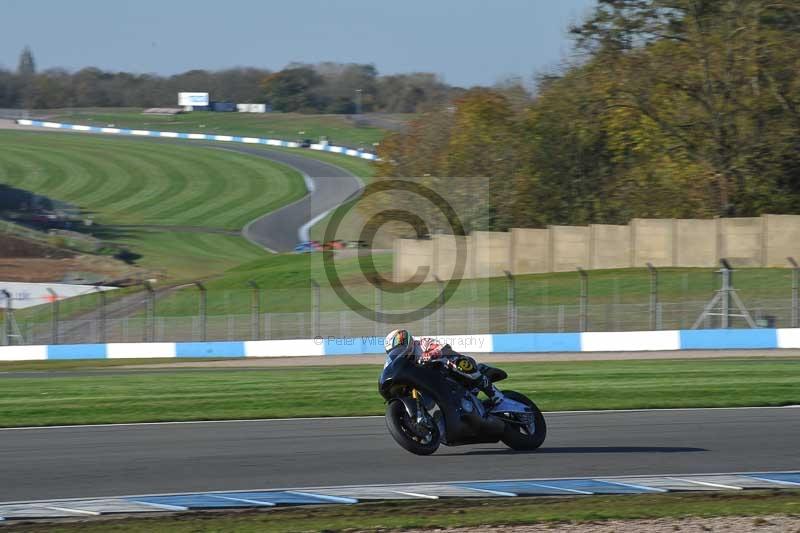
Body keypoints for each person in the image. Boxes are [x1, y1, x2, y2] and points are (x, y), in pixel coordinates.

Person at [384, 329, 504, 406]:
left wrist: (430, 355)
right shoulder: (393, 361)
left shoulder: (422, 343)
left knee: (456, 361)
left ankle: (495, 395)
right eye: (394, 353)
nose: (399, 353)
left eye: (400, 349)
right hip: (430, 382)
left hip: (447, 369)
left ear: (407, 342)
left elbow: (445, 348)